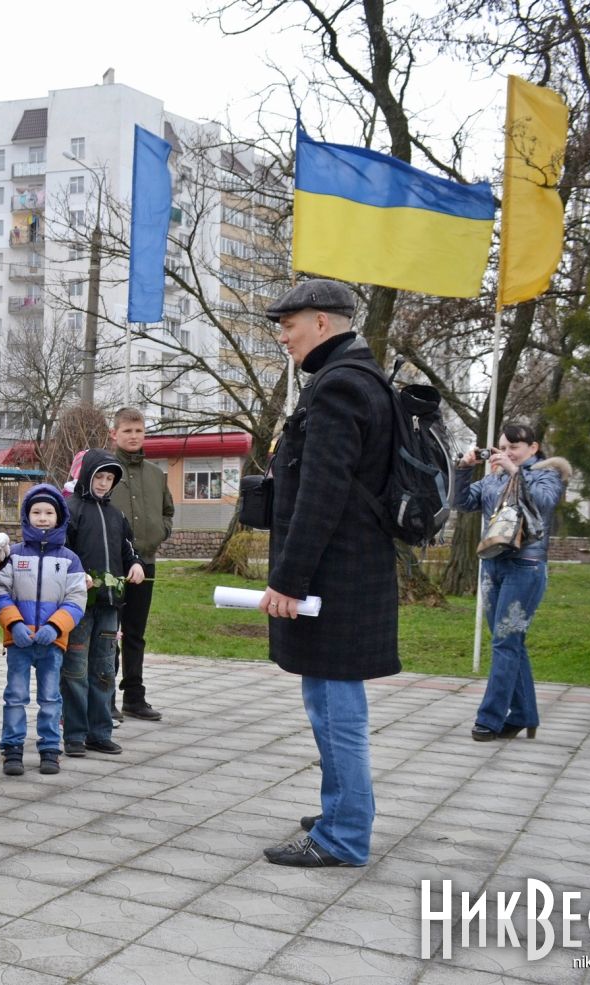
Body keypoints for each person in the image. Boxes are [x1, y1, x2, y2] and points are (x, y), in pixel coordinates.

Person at [256, 279, 397, 869]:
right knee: (333, 705)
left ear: (322, 322)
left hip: (335, 580)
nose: (283, 337)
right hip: (349, 573)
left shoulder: (338, 388)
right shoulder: (360, 378)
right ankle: (345, 810)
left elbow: (321, 495)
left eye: (289, 325)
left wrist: (288, 580)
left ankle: (342, 834)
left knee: (336, 712)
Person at [453, 426, 570, 742]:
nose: (506, 451)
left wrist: (515, 471)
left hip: (525, 567)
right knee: (509, 643)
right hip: (492, 565)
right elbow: (462, 503)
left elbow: (543, 503)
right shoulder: (494, 478)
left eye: (514, 446)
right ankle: (523, 715)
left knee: (505, 643)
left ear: (533, 447)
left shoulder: (547, 475)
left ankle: (490, 719)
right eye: (503, 446)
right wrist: (463, 469)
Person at [0, 484, 86, 776]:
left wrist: (56, 627)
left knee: (50, 698)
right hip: (19, 641)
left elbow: (76, 599)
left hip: (51, 642)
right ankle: (12, 748)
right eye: (36, 512)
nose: (42, 517)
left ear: (59, 517)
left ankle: (49, 749)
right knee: (15, 696)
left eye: (48, 512)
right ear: (26, 515)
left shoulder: (70, 559)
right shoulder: (14, 555)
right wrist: (14, 624)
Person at [64, 451, 144, 758]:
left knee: (104, 670)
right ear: (87, 476)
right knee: (75, 670)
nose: (103, 483)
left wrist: (135, 565)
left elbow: (129, 550)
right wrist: (76, 575)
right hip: (79, 606)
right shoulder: (71, 510)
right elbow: (62, 552)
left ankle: (100, 732)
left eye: (109, 478)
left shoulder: (117, 516)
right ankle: (74, 734)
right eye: (99, 476)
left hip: (111, 605)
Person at [108, 407, 175, 722]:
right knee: (109, 632)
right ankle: (104, 696)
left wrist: (160, 532)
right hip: (110, 566)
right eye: (127, 431)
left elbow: (167, 512)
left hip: (145, 563)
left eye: (139, 431)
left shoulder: (155, 473)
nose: (134, 436)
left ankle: (134, 697)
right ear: (115, 434)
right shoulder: (104, 471)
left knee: (136, 632)